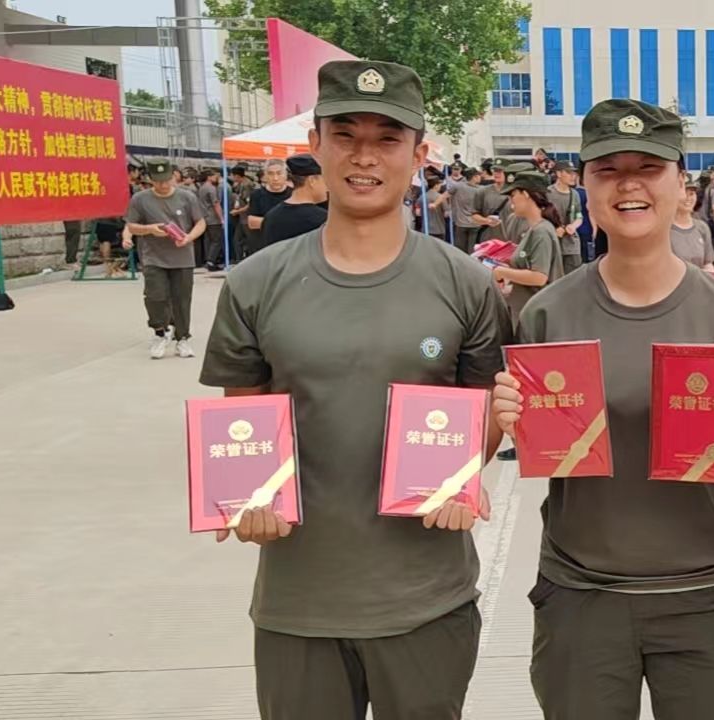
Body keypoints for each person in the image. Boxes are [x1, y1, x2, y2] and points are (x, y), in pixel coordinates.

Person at [200, 60, 511, 719]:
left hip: (426, 601)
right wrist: (248, 499)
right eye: (345, 135)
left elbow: (485, 410)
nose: (365, 156)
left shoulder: (466, 283)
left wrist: (462, 476)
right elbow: (243, 421)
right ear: (315, 144)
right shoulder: (256, 283)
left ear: (419, 155)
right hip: (298, 605)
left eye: (387, 139)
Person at [489, 98, 714, 720]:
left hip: (701, 593)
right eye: (608, 170)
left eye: (649, 168)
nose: (629, 185)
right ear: (584, 184)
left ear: (681, 183)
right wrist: (505, 414)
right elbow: (530, 438)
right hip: (581, 592)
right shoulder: (548, 313)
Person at [124, 160, 205, 360]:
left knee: (182, 299)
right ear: (150, 180)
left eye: (167, 180)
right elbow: (132, 225)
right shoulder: (140, 199)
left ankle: (182, 337)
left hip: (182, 257)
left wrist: (189, 237)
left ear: (174, 177)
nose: (163, 185)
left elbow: (200, 222)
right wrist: (149, 229)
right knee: (155, 297)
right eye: (158, 181)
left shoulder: (187, 197)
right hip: (154, 257)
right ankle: (160, 333)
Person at [491, 171, 566, 319]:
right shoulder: (535, 229)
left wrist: (501, 272)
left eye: (513, 195)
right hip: (527, 308)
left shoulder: (541, 231)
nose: (511, 202)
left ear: (525, 194)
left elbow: (539, 277)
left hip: (536, 314)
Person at [260, 155, 331, 249]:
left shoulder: (271, 217)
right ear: (312, 180)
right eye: (325, 180)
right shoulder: (323, 220)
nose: (327, 187)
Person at [245, 160, 293, 255]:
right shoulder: (257, 195)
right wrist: (285, 222)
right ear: (265, 176)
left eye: (279, 173)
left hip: (288, 247)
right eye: (271, 174)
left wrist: (266, 222)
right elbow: (252, 222)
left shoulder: (294, 193)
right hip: (263, 247)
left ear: (286, 175)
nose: (275, 178)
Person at [546, 161, 585, 272]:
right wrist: (554, 228)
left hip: (571, 243)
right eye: (569, 173)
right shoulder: (548, 193)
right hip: (553, 242)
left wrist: (573, 226)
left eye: (574, 173)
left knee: (574, 275)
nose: (573, 176)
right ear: (558, 173)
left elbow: (579, 216)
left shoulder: (575, 194)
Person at [670, 183, 714, 271]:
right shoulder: (663, 229)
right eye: (684, 193)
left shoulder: (702, 227)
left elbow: (708, 263)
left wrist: (710, 271)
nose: (688, 198)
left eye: (691, 194)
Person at [195, 170, 227, 271]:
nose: (216, 177)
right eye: (214, 176)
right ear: (209, 177)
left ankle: (208, 260)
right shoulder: (211, 188)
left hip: (204, 217)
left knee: (208, 240)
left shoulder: (201, 188)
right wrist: (221, 218)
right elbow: (216, 204)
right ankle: (211, 261)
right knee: (216, 240)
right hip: (213, 218)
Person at [449, 167, 484, 253]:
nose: (480, 177)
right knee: (472, 249)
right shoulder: (481, 189)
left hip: (461, 223)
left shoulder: (458, 186)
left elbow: (444, 195)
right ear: (474, 177)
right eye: (478, 175)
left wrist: (435, 204)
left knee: (460, 249)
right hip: (475, 223)